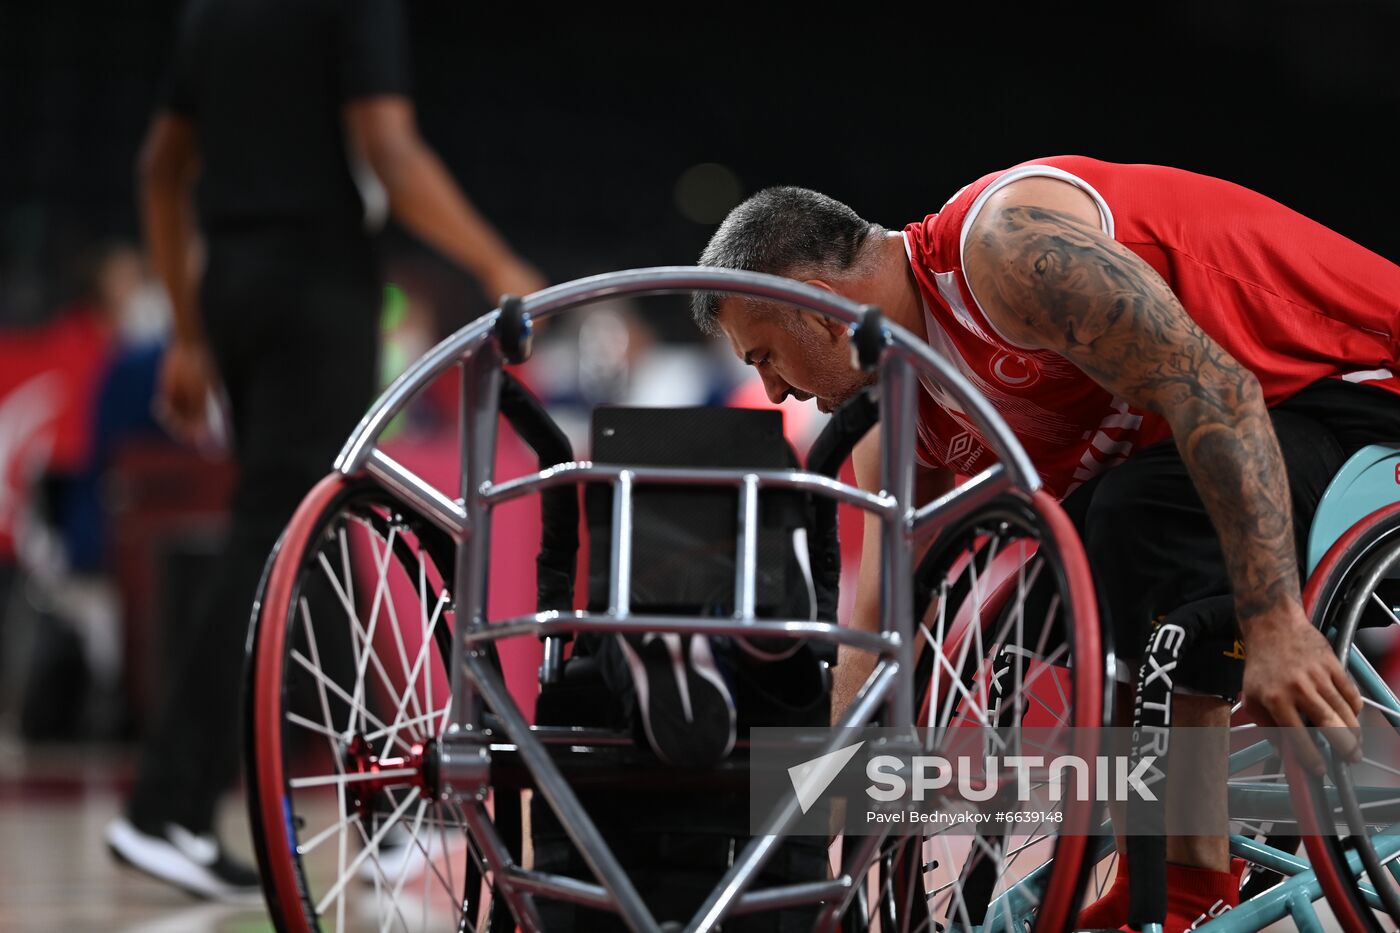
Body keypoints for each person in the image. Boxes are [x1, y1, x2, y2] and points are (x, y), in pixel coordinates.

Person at [692, 156, 1400, 932]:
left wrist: (1274, 627)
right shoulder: (901, 412)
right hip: (1240, 449)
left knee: (1143, 508)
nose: (774, 392)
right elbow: (880, 627)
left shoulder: (1004, 252)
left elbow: (1218, 391)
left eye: (763, 357)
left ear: (824, 310)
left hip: (1355, 382)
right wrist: (805, 833)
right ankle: (1150, 862)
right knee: (1045, 581)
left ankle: (1184, 885)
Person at [104, 0, 543, 902]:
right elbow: (391, 151)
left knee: (319, 525)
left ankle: (374, 801)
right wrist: (498, 263)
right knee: (284, 527)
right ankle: (164, 804)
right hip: (319, 284)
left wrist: (188, 334)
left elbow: (159, 171)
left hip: (231, 288)